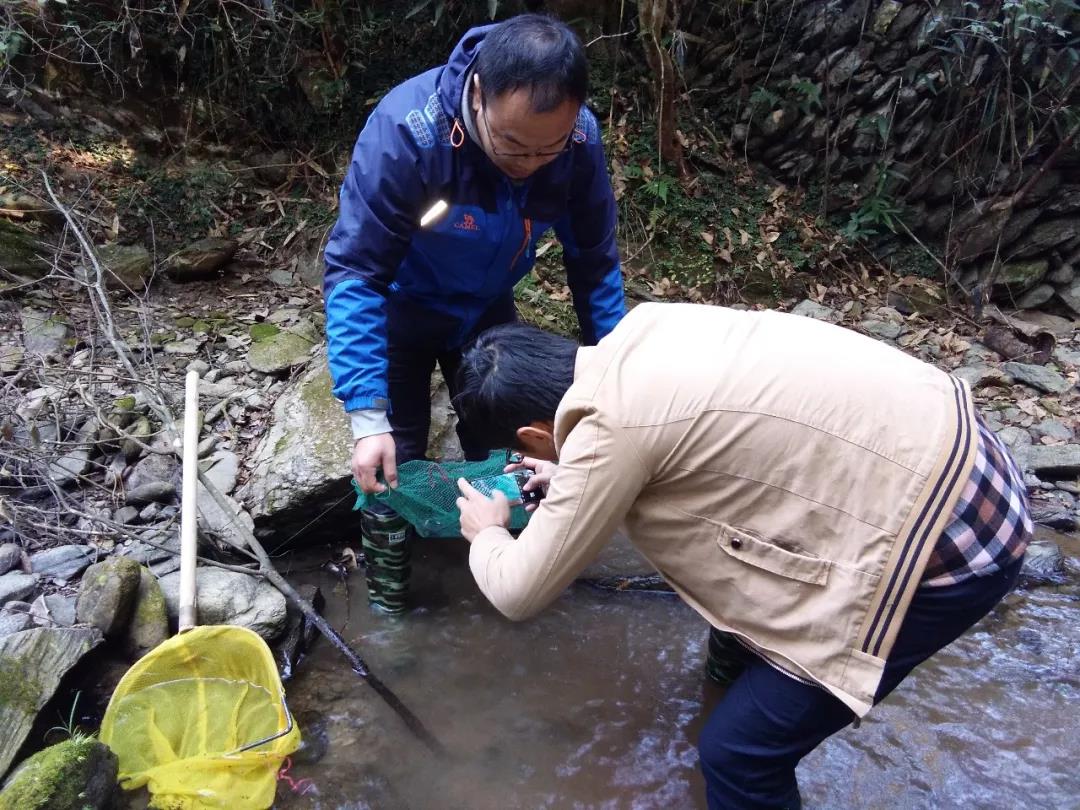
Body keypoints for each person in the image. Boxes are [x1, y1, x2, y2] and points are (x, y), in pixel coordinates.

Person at [451, 302, 1032, 809]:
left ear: (530, 436)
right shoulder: (647, 329)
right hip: (966, 450)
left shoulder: (610, 432)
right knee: (733, 626)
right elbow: (690, 443)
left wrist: (488, 534)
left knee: (736, 754)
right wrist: (572, 475)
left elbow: (518, 592)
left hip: (954, 540)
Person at [323, 13, 626, 612]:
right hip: (400, 311)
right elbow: (356, 273)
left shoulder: (579, 143)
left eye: (549, 148)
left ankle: (508, 575)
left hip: (488, 311)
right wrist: (366, 417)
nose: (531, 162)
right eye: (513, 145)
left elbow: (593, 263)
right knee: (391, 466)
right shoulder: (408, 135)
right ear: (479, 96)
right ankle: (391, 611)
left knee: (512, 448)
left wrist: (613, 375)